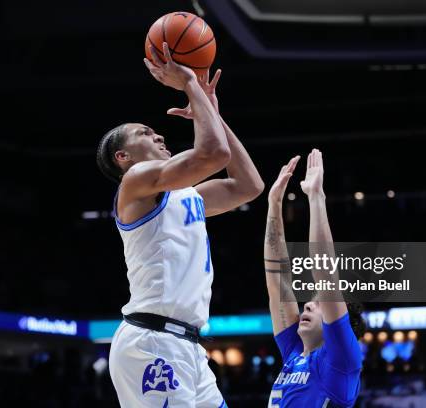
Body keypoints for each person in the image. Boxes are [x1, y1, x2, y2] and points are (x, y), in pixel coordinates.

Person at [98, 42, 263, 407]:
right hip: (152, 341)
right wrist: (189, 81)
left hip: (188, 346)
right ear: (122, 157)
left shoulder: (186, 196)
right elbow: (212, 154)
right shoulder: (135, 182)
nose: (157, 135)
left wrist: (213, 115)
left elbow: (248, 186)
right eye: (144, 133)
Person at [264, 150, 365, 407]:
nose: (307, 304)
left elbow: (325, 273)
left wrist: (316, 197)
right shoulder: (294, 352)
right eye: (311, 300)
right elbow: (277, 282)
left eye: (319, 303)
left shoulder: (340, 359)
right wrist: (274, 204)